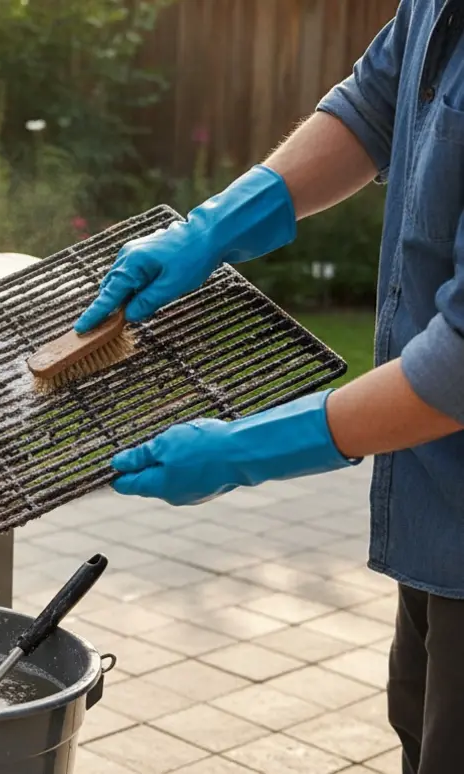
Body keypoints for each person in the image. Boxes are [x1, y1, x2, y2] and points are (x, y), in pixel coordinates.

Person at [74, 3, 464, 772]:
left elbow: (458, 365)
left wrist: (246, 449)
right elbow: (375, 104)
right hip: (436, 522)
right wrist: (210, 228)